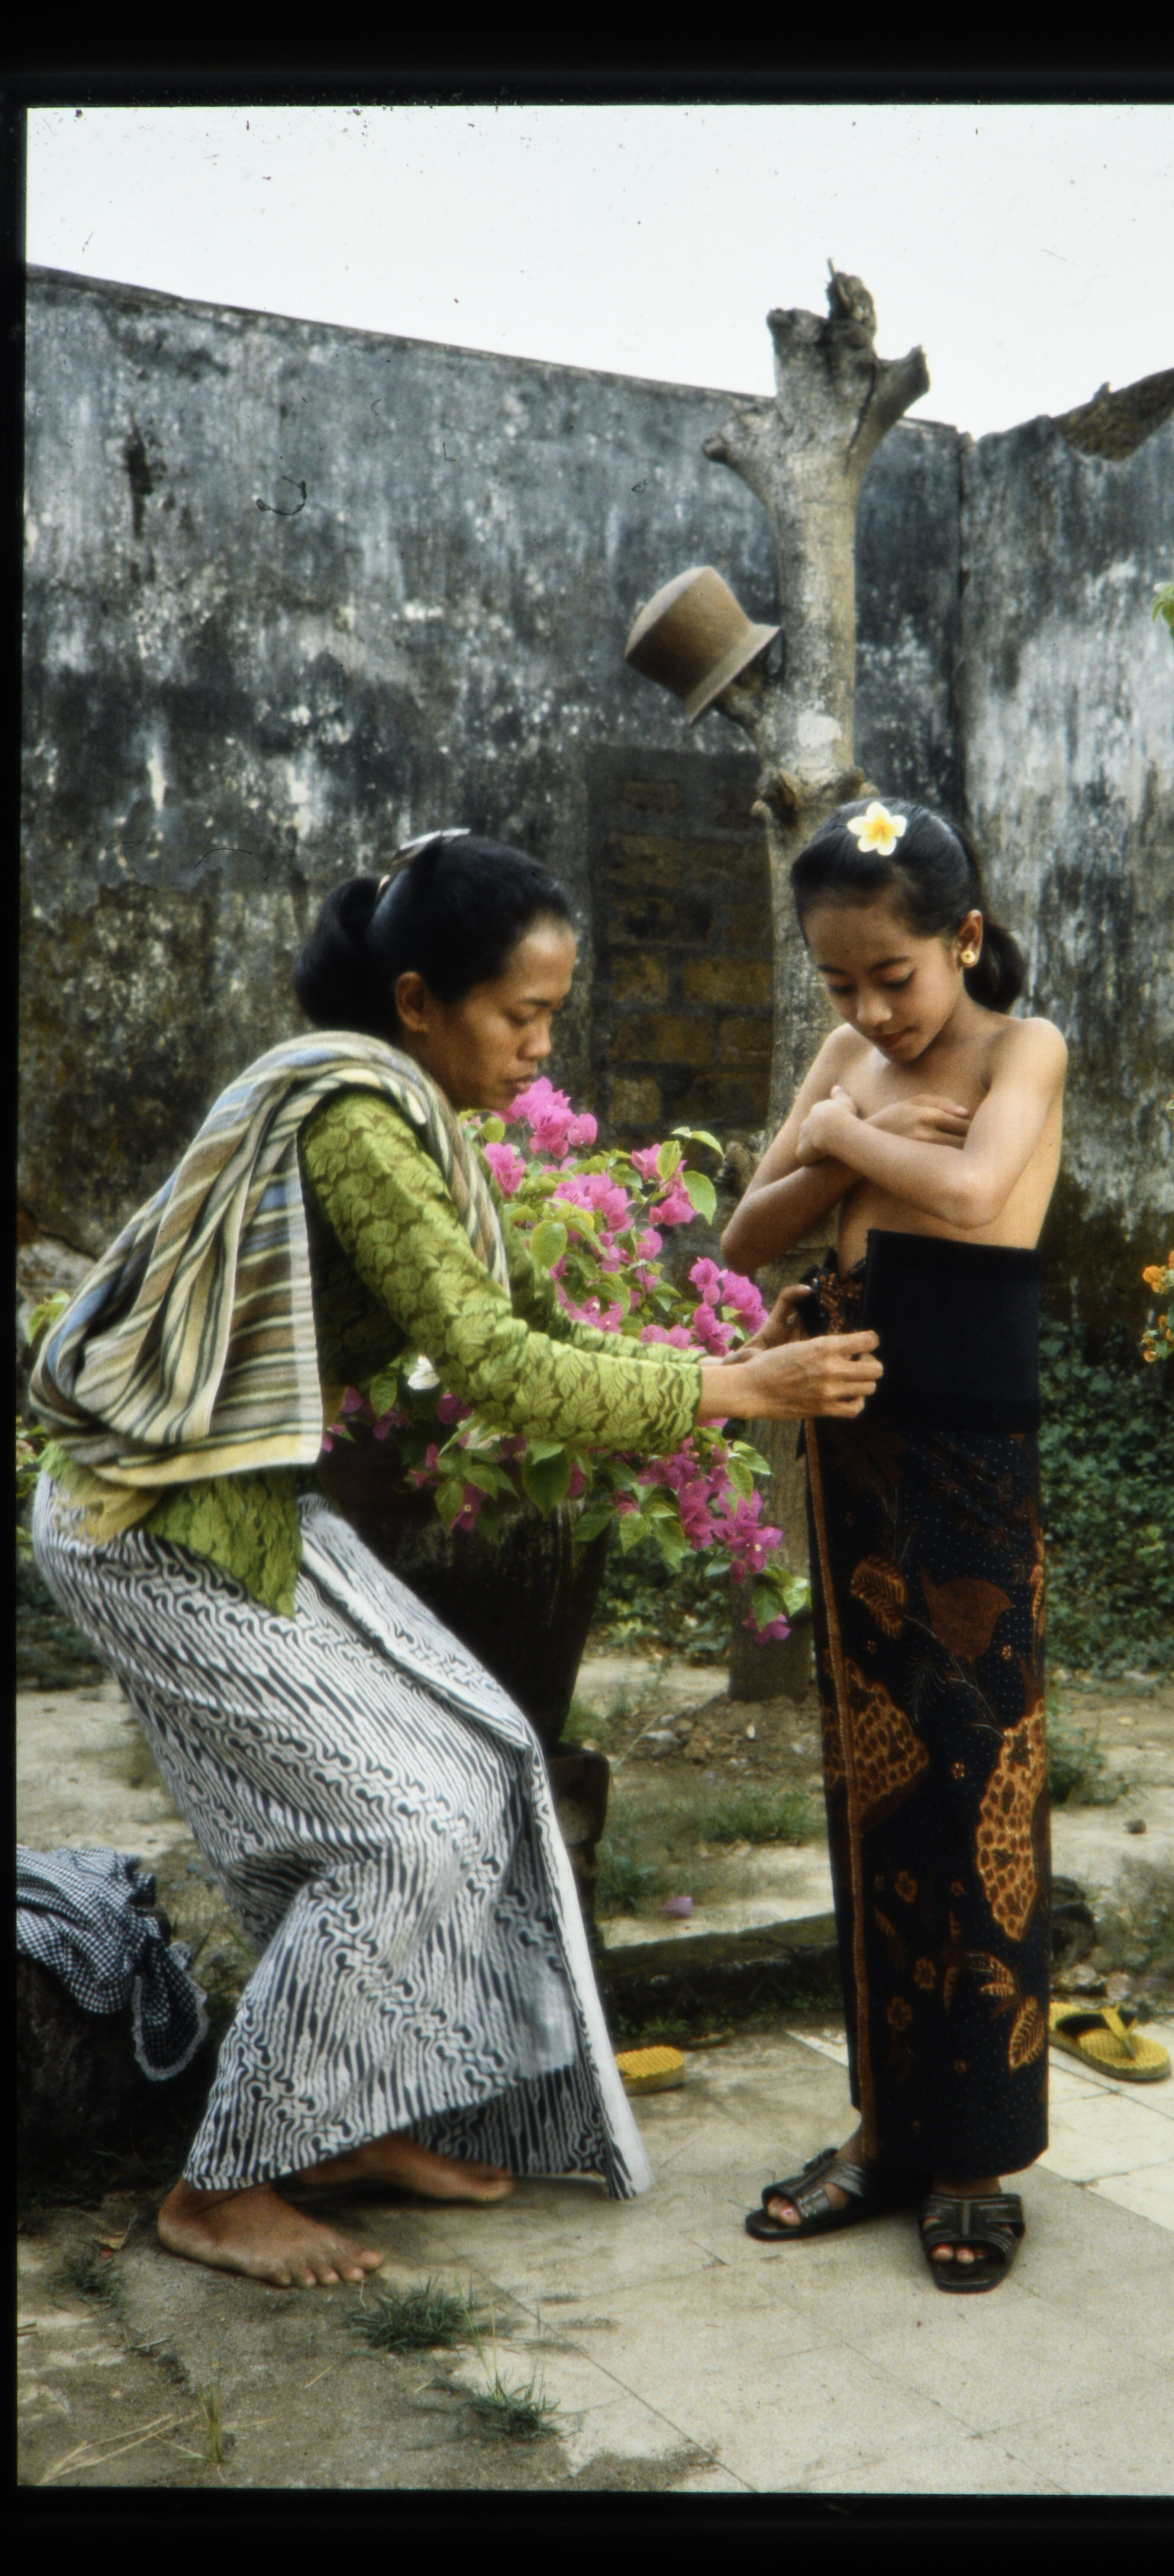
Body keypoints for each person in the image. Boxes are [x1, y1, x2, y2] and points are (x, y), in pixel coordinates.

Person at [29, 830, 880, 2292]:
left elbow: (524, 1332)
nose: (542, 1048)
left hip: (239, 1508)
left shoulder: (405, 1113)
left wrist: (725, 1362)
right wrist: (736, 1393)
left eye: (553, 1015)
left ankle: (344, 2123)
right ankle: (221, 2189)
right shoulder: (357, 1117)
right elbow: (495, 1368)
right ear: (419, 1002)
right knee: (404, 1833)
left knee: (482, 1770)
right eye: (521, 1015)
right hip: (148, 1524)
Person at [719, 798, 1067, 2292]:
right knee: (873, 1793)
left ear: (965, 939)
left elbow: (976, 1192)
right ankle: (884, 2131)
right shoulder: (850, 1067)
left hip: (970, 1465)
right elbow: (746, 1236)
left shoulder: (1022, 1049)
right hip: (854, 1442)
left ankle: (973, 2157)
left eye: (894, 978)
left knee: (979, 1783)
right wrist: (838, 1139)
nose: (867, 1012)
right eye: (840, 985)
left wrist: (843, 1141)